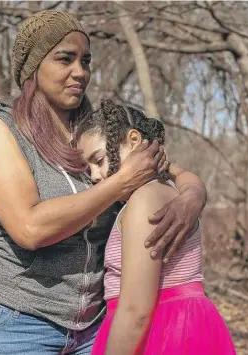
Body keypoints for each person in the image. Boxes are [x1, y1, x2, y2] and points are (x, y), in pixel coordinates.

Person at [0, 10, 208, 354]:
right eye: (65, 59)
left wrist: (191, 198)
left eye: (86, 60)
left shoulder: (94, 131)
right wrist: (119, 184)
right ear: (33, 68)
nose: (80, 72)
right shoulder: (0, 130)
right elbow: (30, 228)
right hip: (11, 325)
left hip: (92, 329)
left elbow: (169, 170)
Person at [76, 100, 236, 355]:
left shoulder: (144, 200)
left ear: (133, 140)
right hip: (186, 326)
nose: (95, 175)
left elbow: (136, 311)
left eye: (99, 160)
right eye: (88, 169)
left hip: (160, 331)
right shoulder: (167, 191)